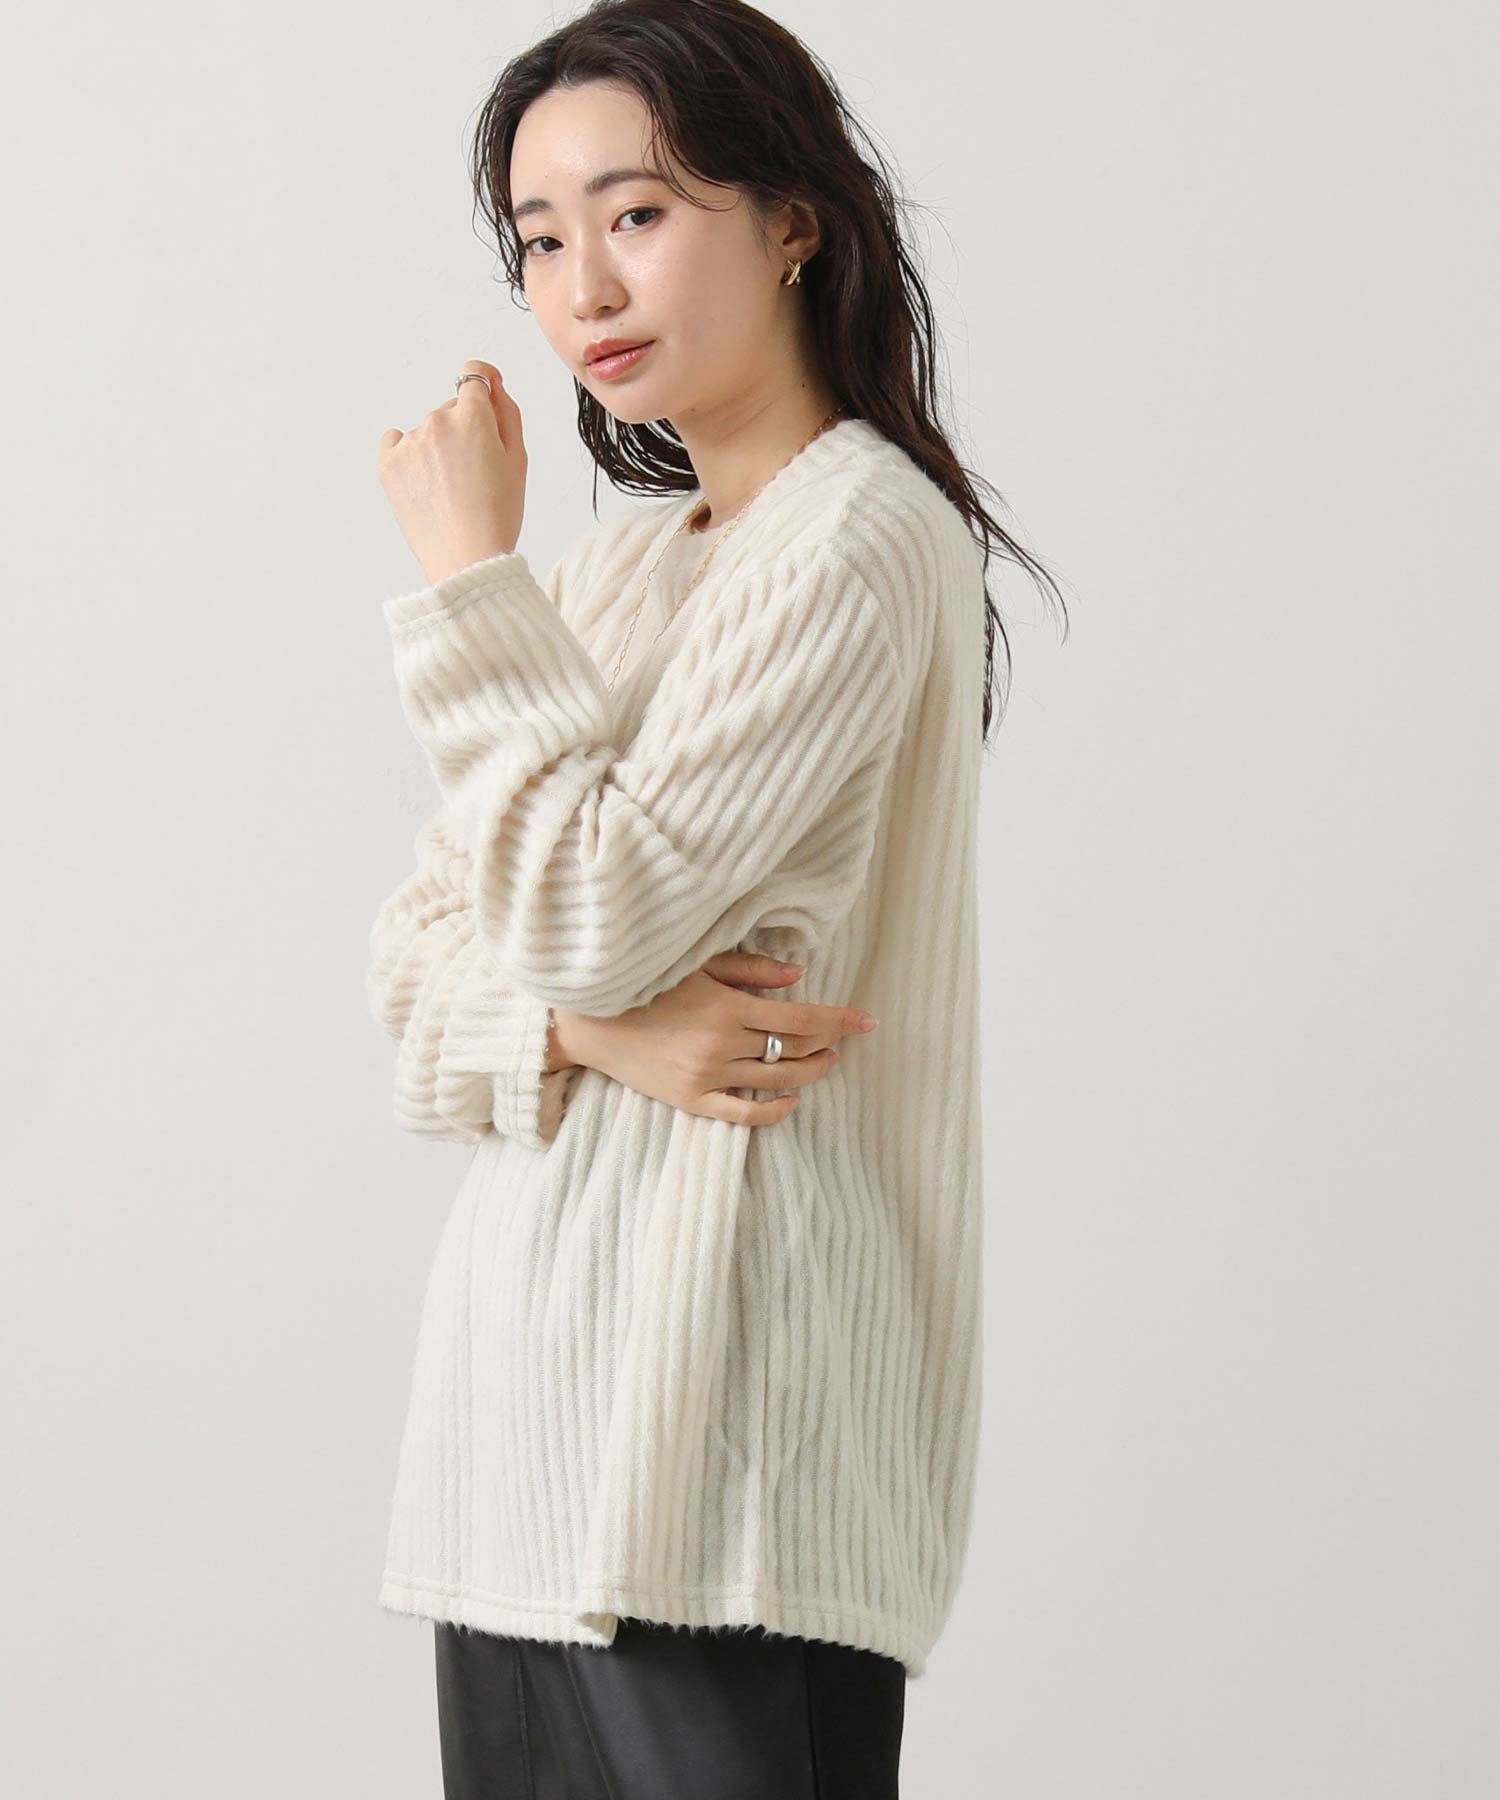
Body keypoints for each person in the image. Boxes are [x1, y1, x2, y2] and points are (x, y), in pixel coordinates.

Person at [366, 2, 1064, 1794]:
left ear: (792, 219)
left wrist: (465, 579)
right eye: (539, 240)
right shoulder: (620, 576)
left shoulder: (860, 533)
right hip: (516, 1450)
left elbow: (583, 908)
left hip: (725, 1466)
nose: (584, 284)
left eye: (638, 213)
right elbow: (414, 978)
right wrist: (591, 1033)